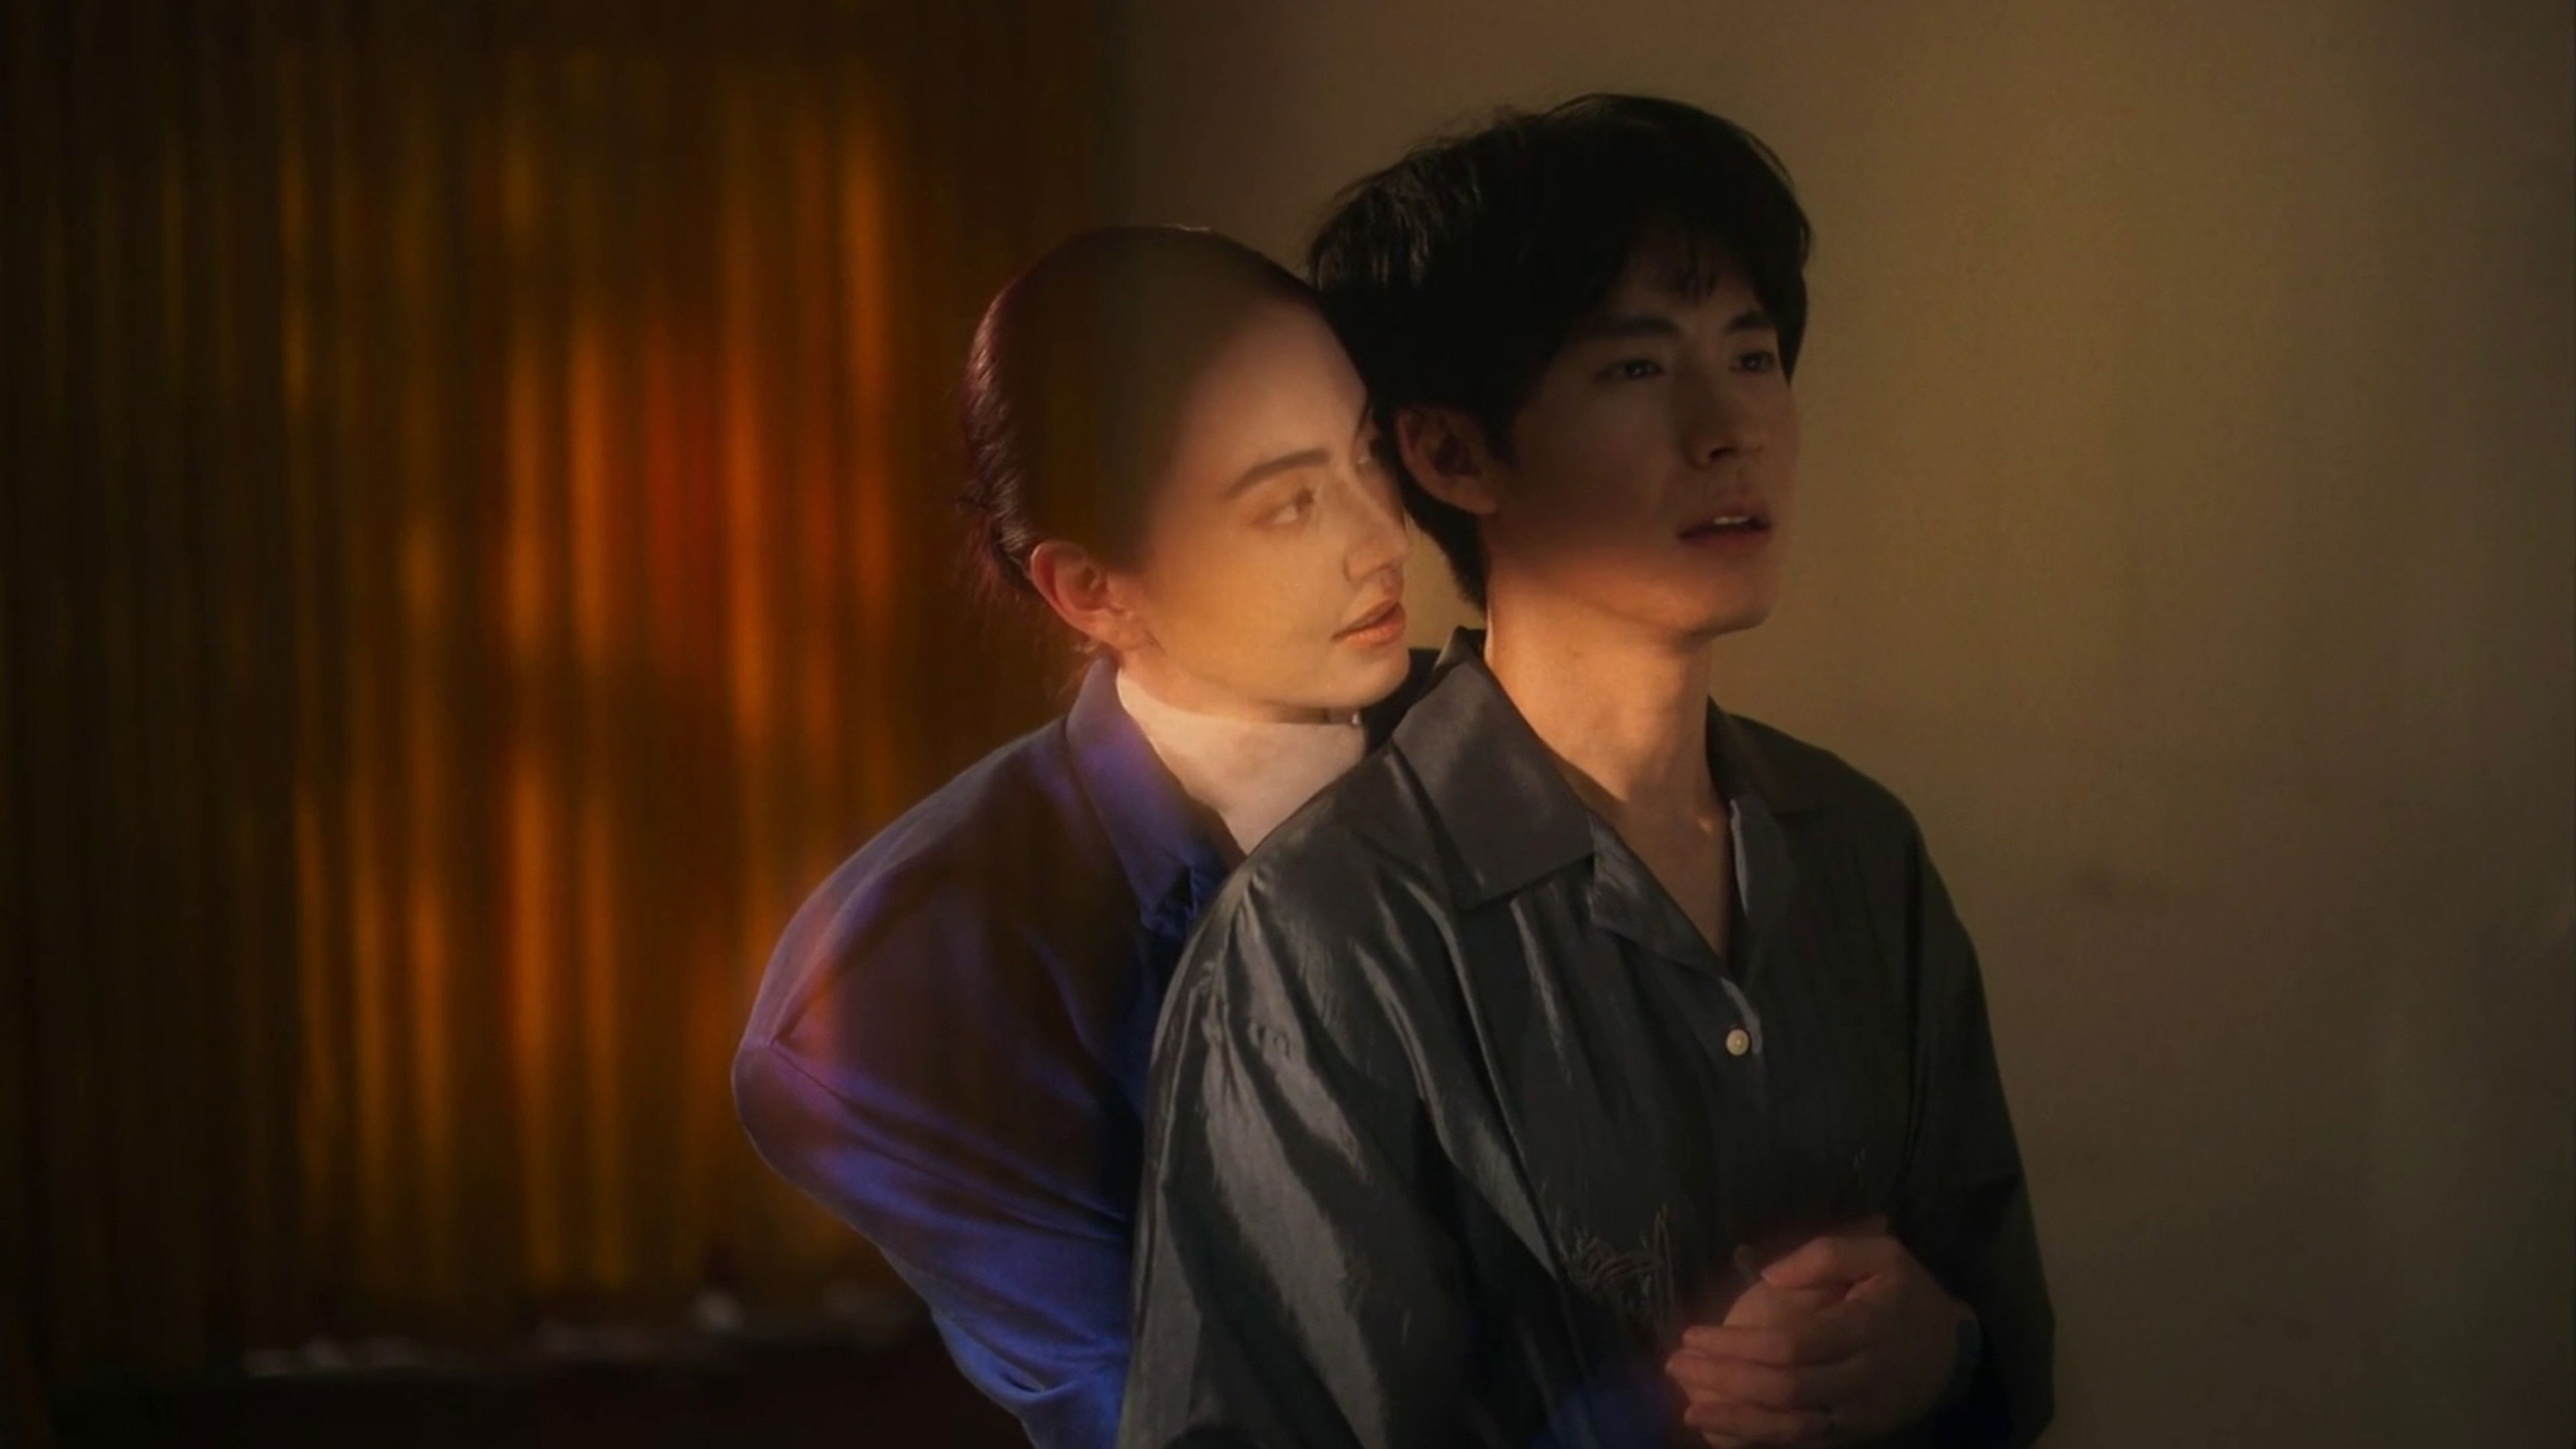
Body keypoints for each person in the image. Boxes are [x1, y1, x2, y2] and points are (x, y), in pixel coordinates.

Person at [1118, 96, 2054, 1448]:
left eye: (1752, 355)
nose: (1728, 428)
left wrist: (1941, 1349)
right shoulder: (1324, 939)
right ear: (1451, 451)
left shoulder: (1858, 846)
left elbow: (2004, 1322)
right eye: (1635, 369)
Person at [734, 225, 1423, 1449]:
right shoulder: (908, 983)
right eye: (1290, 504)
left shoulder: (1514, 755)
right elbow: (1170, 1408)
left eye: (1372, 454)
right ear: (1093, 589)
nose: (1384, 538)